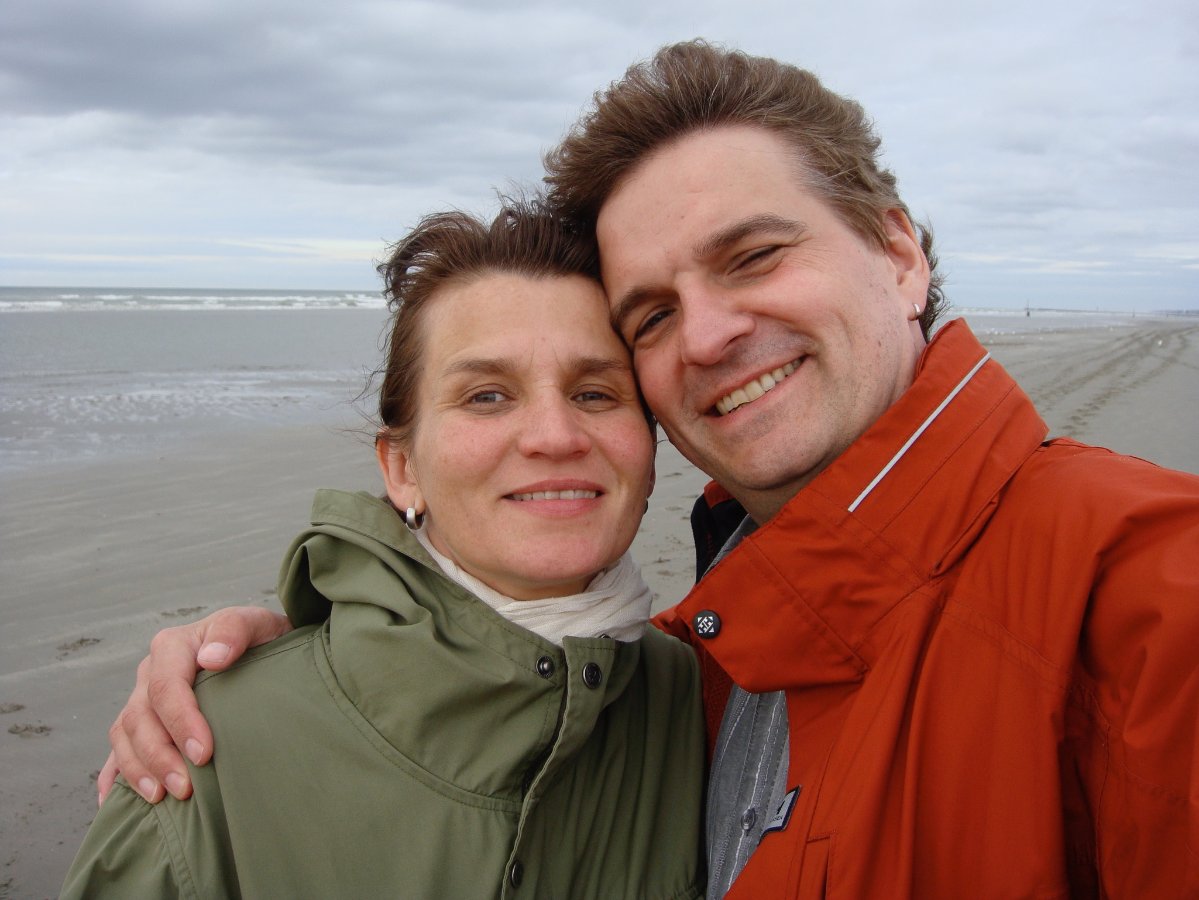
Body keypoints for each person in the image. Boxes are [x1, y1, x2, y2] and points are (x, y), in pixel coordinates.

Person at [101, 41, 1199, 898]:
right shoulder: (703, 665)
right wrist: (279, 665)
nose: (710, 334)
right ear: (401, 467)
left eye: (753, 255)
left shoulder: (1146, 599)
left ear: (898, 253)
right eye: (654, 315)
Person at [63, 201, 706, 898]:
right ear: (401, 468)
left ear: (647, 452)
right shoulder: (205, 752)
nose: (555, 435)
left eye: (595, 393)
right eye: (487, 396)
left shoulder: (702, 700)